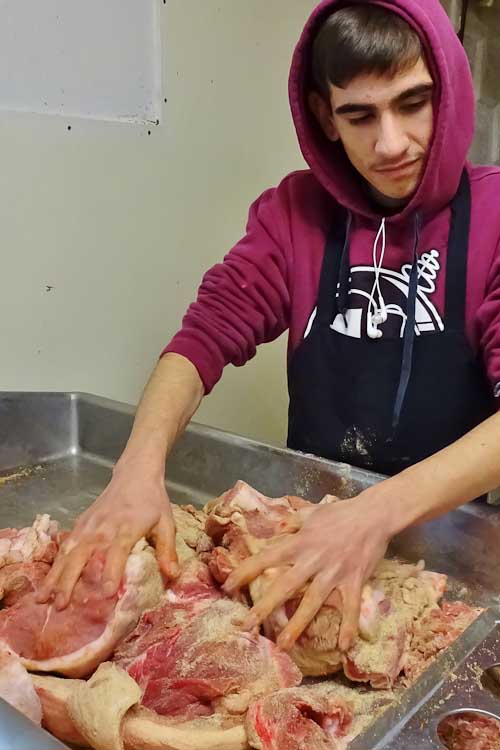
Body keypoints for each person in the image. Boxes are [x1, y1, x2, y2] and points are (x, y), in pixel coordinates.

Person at [38, 0, 500, 654]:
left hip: (451, 552)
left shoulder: (496, 215)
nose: (390, 142)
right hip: (305, 524)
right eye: (359, 115)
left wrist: (372, 515)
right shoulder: (295, 213)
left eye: (413, 102)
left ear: (450, 91)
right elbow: (202, 339)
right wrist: (137, 467)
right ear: (324, 117)